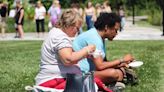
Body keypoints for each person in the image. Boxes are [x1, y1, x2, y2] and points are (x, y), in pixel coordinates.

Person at [35, 9, 96, 90]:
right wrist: (87, 50)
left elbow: (70, 57)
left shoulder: (56, 33)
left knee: (92, 83)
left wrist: (84, 55)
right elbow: (68, 60)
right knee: (89, 85)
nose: (77, 31)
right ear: (69, 25)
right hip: (53, 81)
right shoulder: (60, 37)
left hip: (55, 79)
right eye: (77, 28)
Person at [73, 13, 134, 86]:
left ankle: (111, 82)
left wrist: (120, 64)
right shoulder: (94, 38)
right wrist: (122, 60)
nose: (116, 33)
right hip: (80, 75)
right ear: (106, 27)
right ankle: (107, 84)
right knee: (114, 73)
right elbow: (100, 66)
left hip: (89, 72)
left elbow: (103, 62)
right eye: (115, 30)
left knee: (120, 71)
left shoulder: (98, 36)